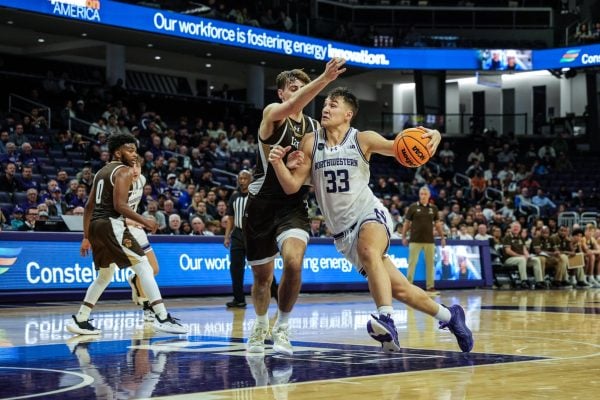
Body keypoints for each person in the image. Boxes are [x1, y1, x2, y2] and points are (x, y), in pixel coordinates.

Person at [268, 87, 473, 353]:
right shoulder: (310, 141)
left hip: (369, 214)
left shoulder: (362, 139)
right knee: (400, 289)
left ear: (348, 114)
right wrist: (278, 164)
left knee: (368, 248)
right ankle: (451, 316)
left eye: (333, 105)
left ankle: (386, 319)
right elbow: (292, 186)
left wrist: (433, 134)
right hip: (343, 234)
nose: (326, 109)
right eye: (325, 105)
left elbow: (400, 147)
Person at [243, 58, 346, 356]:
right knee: (262, 278)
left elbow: (314, 175)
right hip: (261, 205)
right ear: (281, 94)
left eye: (303, 87)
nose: (299, 92)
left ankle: (283, 327)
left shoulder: (314, 129)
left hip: (292, 205)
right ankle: (260, 324)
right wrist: (324, 79)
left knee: (293, 262)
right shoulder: (273, 115)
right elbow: (292, 107)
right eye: (293, 88)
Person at [66, 133, 186, 336]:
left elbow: (88, 206)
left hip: (96, 226)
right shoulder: (123, 172)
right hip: (112, 225)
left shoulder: (101, 172)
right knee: (144, 267)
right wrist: (145, 220)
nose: (134, 155)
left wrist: (86, 236)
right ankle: (162, 317)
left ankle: (81, 318)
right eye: (129, 150)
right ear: (117, 152)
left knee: (105, 275)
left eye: (135, 151)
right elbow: (119, 205)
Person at [125, 155, 162, 322]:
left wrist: (139, 220)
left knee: (154, 269)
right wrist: (139, 220)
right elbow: (113, 215)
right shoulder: (120, 185)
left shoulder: (142, 180)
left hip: (136, 228)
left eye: (137, 167)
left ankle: (134, 279)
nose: (135, 171)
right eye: (131, 167)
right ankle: (147, 306)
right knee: (144, 271)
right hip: (122, 231)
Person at [402, 186, 446, 294]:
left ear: (429, 196)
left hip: (429, 241)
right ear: (419, 195)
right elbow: (406, 223)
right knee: (412, 263)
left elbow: (438, 224)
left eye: (425, 194)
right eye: (421, 194)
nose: (423, 196)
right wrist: (403, 236)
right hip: (414, 240)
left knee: (430, 264)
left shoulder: (434, 208)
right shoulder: (413, 207)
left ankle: (430, 287)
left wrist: (442, 237)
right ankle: (409, 285)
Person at [224, 170, 252, 308]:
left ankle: (276, 295)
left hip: (253, 236)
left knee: (261, 268)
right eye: (240, 178)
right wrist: (227, 236)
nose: (242, 181)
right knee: (235, 268)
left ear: (250, 180)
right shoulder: (234, 196)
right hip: (237, 235)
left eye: (245, 178)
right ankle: (239, 299)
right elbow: (230, 218)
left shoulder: (256, 196)